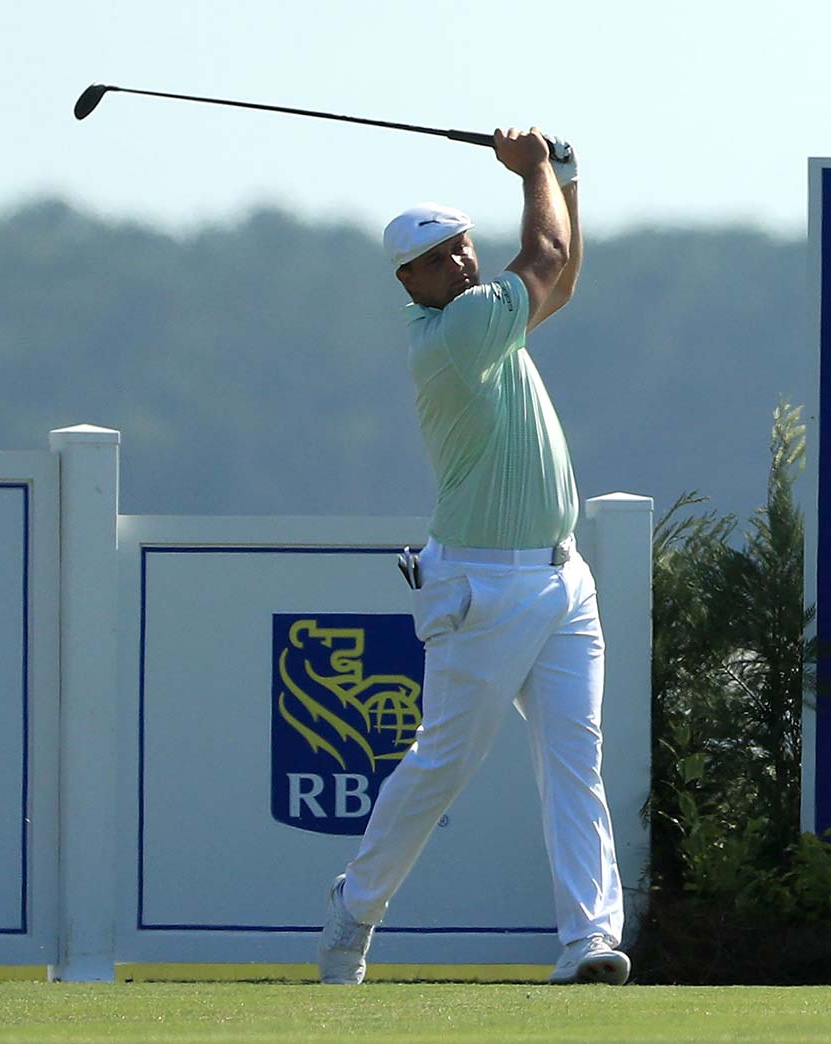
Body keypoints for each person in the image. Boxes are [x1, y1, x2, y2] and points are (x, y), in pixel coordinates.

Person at [317, 126, 629, 986]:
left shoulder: (490, 319)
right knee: (443, 765)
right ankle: (355, 910)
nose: (456, 264)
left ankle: (589, 941)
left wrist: (565, 172)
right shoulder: (456, 333)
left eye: (460, 248)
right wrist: (534, 171)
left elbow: (556, 274)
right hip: (481, 584)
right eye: (434, 258)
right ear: (406, 283)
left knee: (577, 758)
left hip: (563, 578)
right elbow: (547, 252)